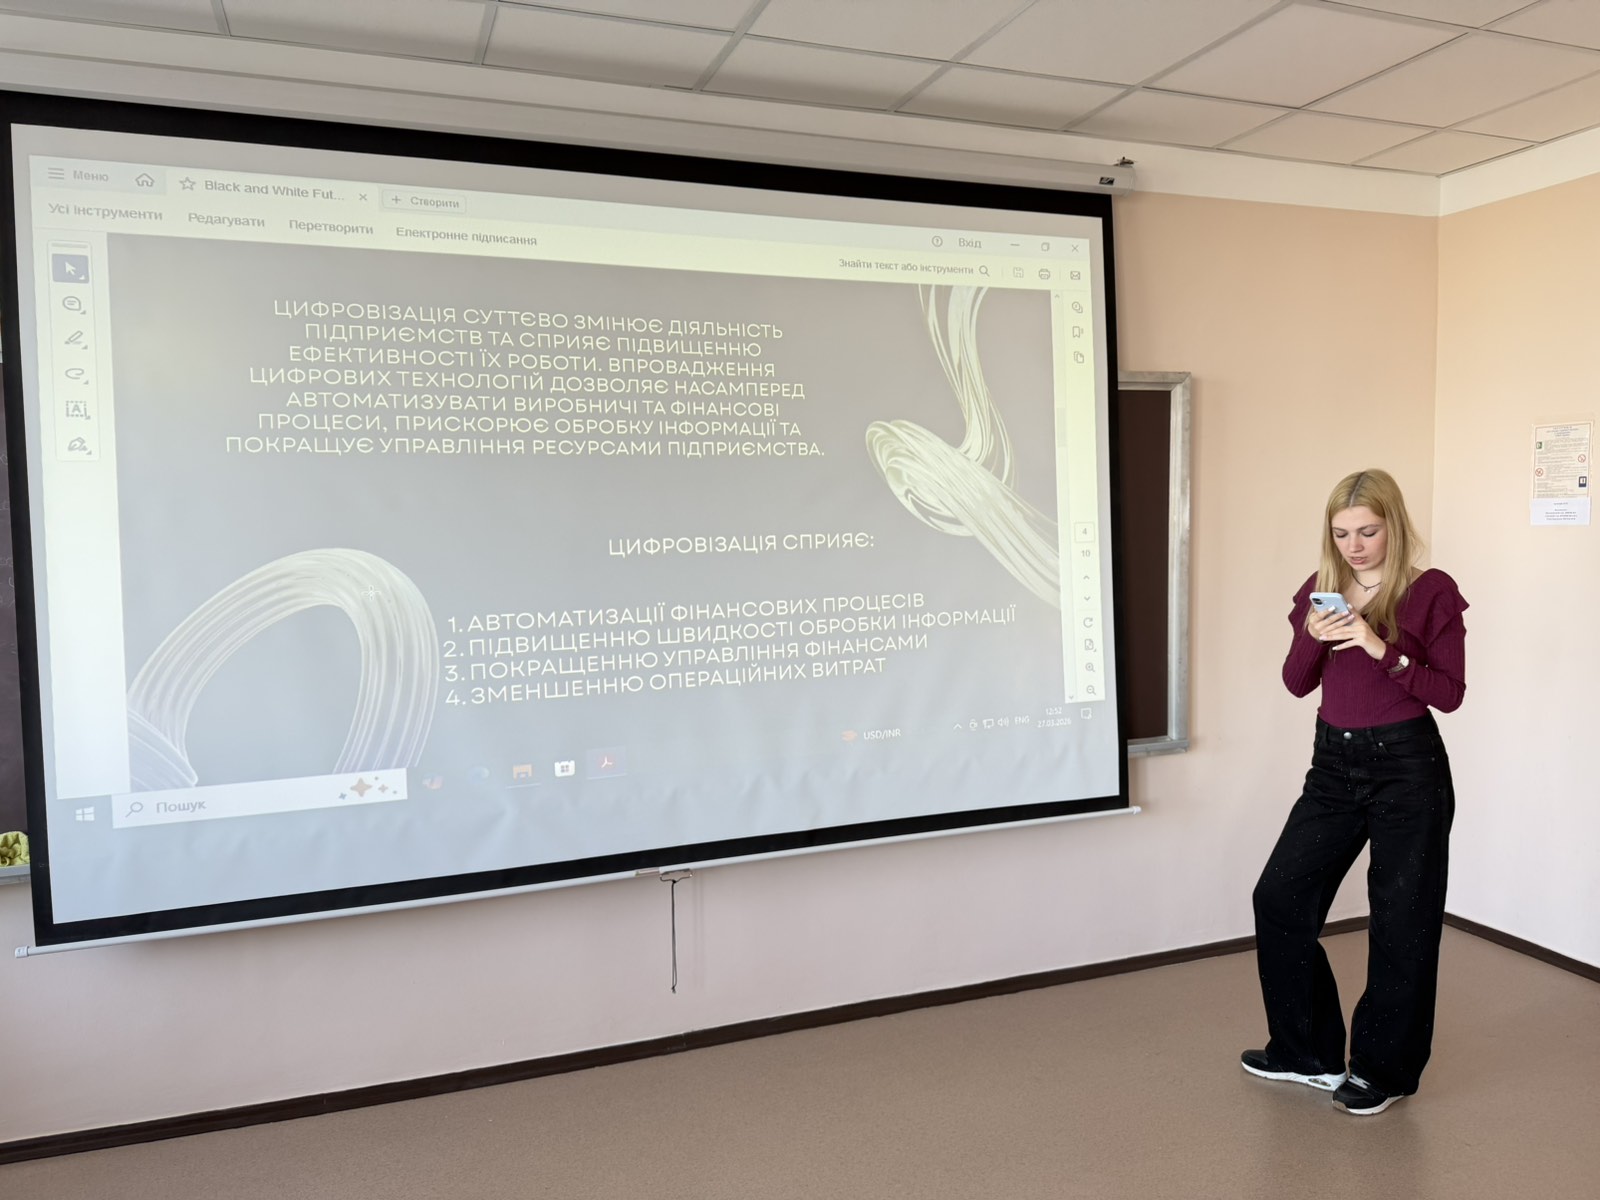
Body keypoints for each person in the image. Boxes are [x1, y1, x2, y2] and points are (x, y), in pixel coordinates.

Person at [1241, 468, 1467, 1116]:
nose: (1355, 546)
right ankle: (1305, 1053)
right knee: (1279, 895)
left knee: (1401, 922)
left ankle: (1382, 1071)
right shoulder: (1321, 590)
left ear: (1393, 524)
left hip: (1407, 766)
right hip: (1333, 767)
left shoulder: (1430, 592)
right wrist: (1311, 638)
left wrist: (1379, 646)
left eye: (1367, 531)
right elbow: (1296, 683)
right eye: (1342, 534)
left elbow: (1449, 693)